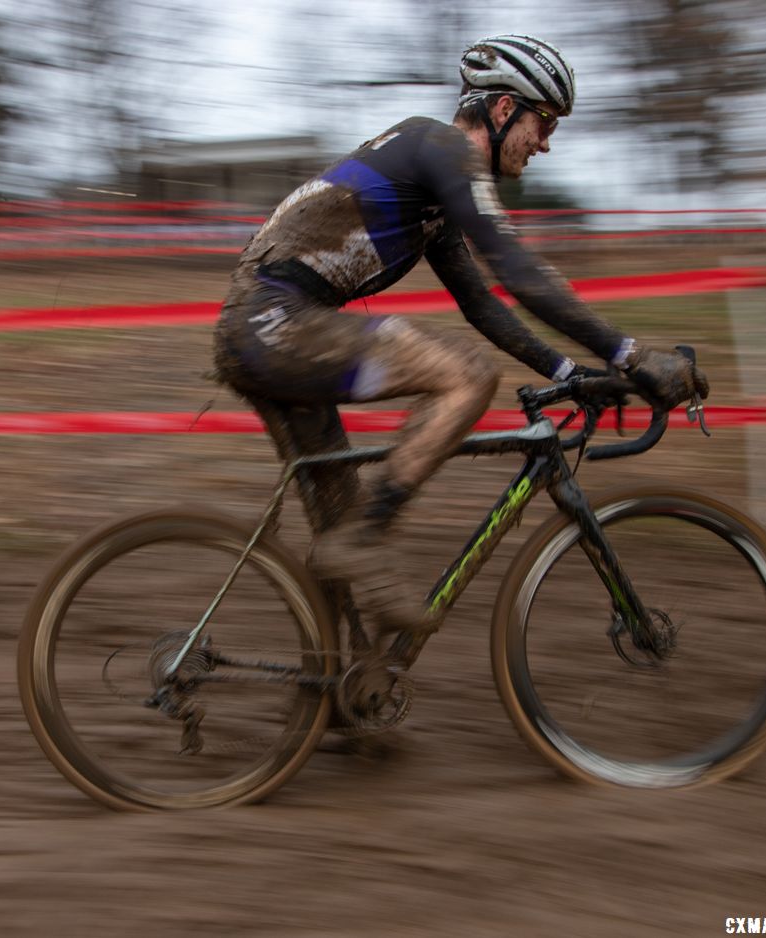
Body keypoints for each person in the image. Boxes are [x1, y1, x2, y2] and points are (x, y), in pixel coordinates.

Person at [212, 34, 708, 636]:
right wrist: (630, 354)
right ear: (503, 110)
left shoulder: (432, 187)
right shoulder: (439, 146)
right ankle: (370, 539)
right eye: (544, 123)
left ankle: (343, 701)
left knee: (337, 535)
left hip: (272, 333)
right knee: (467, 375)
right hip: (274, 324)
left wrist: (568, 374)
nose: (546, 144)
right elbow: (518, 270)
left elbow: (481, 303)